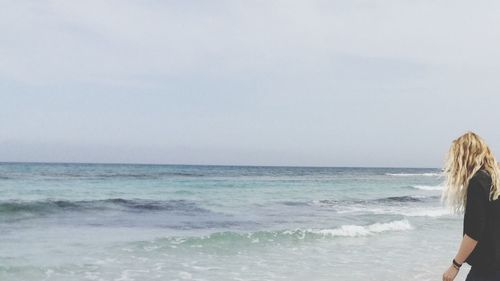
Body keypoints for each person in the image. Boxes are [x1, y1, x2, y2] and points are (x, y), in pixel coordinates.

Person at [441, 132, 500, 281]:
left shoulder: (478, 181)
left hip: (488, 268)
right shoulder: (496, 179)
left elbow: (474, 231)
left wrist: (455, 266)